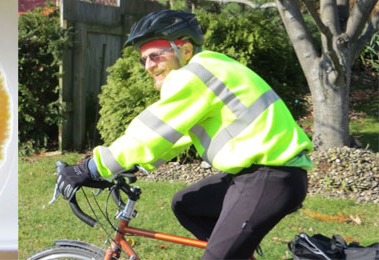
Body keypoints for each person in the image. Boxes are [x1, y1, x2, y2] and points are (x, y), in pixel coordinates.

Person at [56, 9, 314, 259]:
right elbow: (173, 138)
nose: (148, 66)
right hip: (263, 175)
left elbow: (151, 131)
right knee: (186, 204)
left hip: (269, 177)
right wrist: (127, 166)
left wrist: (92, 167)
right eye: (143, 59)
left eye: (155, 55)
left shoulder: (194, 76)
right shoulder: (211, 68)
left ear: (185, 50)